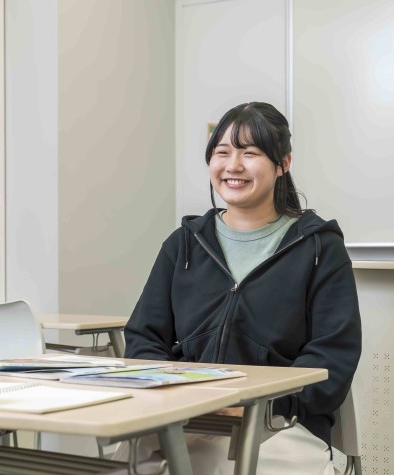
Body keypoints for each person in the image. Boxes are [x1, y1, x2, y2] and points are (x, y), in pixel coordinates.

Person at [120, 102, 361, 474]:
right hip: (188, 415)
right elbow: (143, 338)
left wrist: (259, 404)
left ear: (284, 163)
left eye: (250, 153)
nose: (233, 166)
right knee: (128, 458)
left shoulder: (318, 248)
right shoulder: (183, 243)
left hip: (282, 424)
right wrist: (177, 394)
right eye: (222, 152)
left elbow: (333, 358)